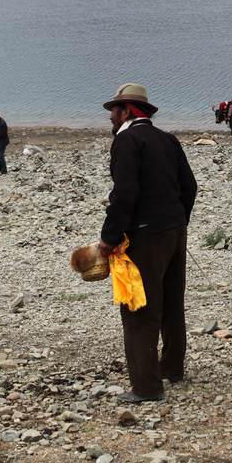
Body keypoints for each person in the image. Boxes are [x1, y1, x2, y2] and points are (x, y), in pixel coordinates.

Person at [97, 84, 197, 404]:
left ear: (126, 111)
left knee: (139, 308)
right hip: (174, 231)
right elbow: (189, 186)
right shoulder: (168, 139)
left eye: (114, 110)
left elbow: (124, 194)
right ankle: (172, 368)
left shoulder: (127, 140)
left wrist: (109, 239)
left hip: (145, 236)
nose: (110, 117)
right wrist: (179, 221)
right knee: (171, 302)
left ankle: (146, 386)